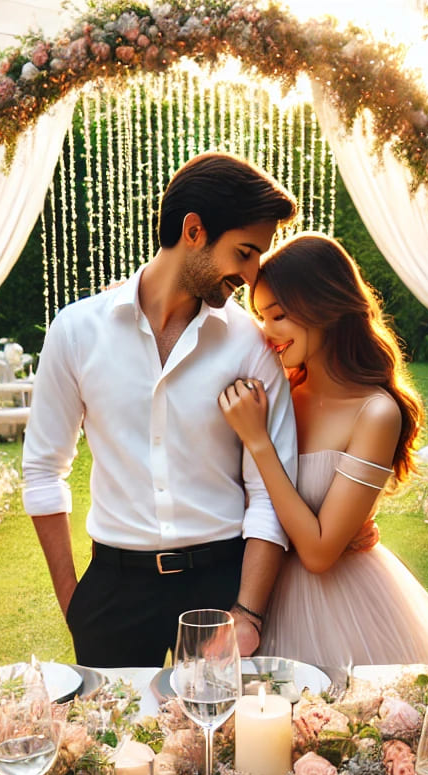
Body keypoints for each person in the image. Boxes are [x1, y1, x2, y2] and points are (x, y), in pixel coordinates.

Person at [23, 153, 299, 668]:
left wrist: (248, 613)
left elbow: (269, 490)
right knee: (113, 747)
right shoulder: (76, 331)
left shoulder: (250, 345)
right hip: (113, 590)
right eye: (244, 251)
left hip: (223, 585)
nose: (251, 273)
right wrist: (74, 603)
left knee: (223, 746)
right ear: (194, 230)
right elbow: (43, 471)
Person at [217, 233, 428, 668]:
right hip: (257, 592)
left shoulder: (375, 413)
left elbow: (318, 552)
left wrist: (259, 442)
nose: (266, 332)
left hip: (339, 606)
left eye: (277, 316)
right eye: (260, 316)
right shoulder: (278, 391)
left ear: (324, 308)